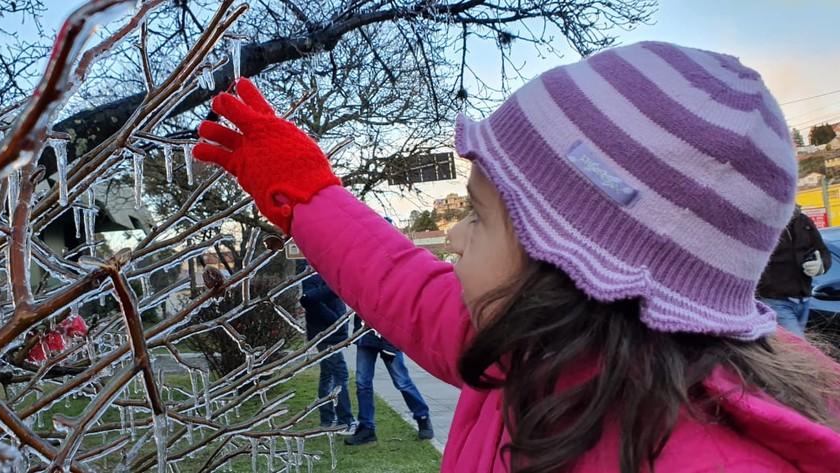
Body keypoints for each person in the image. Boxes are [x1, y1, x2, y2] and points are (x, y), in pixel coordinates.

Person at [194, 41, 840, 473]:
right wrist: (310, 197)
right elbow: (408, 288)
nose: (451, 239)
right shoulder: (527, 342)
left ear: (572, 263)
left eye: (476, 214)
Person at [345, 314, 434, 445]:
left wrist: (391, 347)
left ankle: (422, 416)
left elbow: (397, 311)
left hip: (389, 337)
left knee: (402, 381)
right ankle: (366, 427)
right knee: (362, 383)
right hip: (365, 335)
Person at [296, 259, 356, 433]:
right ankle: (344, 421)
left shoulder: (323, 266)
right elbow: (308, 299)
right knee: (339, 375)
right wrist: (334, 320)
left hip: (329, 331)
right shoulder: (311, 266)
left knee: (328, 375)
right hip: (326, 332)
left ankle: (328, 418)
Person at [758, 206, 831, 337]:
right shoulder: (762, 223)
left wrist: (821, 266)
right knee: (800, 348)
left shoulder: (804, 221)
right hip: (775, 300)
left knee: (790, 349)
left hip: (805, 299)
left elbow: (823, 251)